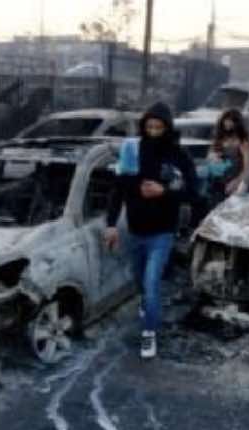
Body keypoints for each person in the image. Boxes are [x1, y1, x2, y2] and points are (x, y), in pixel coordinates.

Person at [103, 102, 198, 360]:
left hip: (162, 232)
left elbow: (194, 192)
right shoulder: (132, 150)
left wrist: (164, 191)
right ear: (144, 125)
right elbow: (118, 190)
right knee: (140, 283)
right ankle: (147, 305)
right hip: (134, 231)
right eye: (149, 126)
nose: (154, 131)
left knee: (151, 282)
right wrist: (111, 225)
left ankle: (149, 334)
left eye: (159, 127)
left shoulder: (178, 155)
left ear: (167, 127)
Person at [207, 109, 249, 206]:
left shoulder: (244, 142)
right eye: (225, 120)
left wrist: (236, 182)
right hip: (216, 185)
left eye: (231, 120)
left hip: (233, 185)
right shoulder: (219, 140)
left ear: (237, 123)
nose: (227, 123)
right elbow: (210, 158)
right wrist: (213, 158)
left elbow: (248, 167)